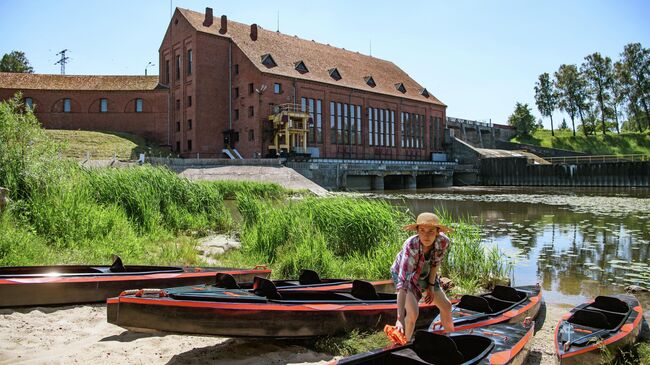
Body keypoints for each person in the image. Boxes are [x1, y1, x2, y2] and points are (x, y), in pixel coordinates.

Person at [391, 212, 454, 341]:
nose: (426, 235)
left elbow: (435, 263)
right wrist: (399, 319)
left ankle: (451, 339)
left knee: (447, 306)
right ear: (417, 231)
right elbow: (403, 282)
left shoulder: (443, 242)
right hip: (405, 276)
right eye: (422, 230)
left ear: (437, 232)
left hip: (426, 274)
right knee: (413, 313)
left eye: (431, 231)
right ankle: (404, 343)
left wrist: (430, 286)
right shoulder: (411, 245)